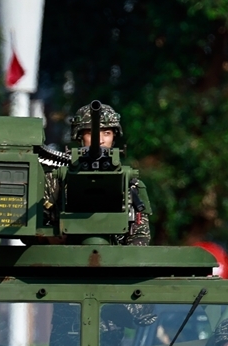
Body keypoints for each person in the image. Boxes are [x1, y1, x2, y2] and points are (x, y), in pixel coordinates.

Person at [43, 102, 151, 246]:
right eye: (91, 133)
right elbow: (29, 228)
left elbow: (140, 236)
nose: (100, 140)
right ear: (79, 137)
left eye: (107, 133)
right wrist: (47, 237)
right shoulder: (56, 180)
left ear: (114, 137)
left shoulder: (130, 183)